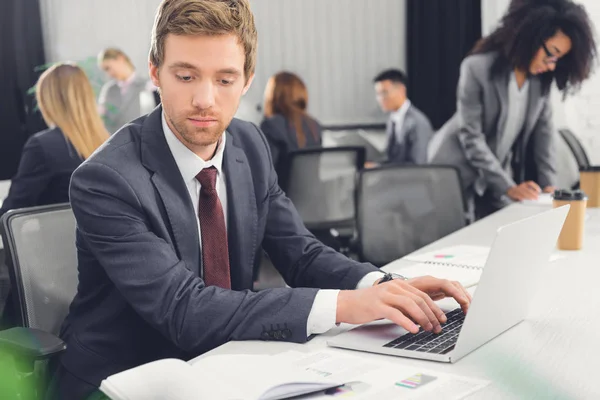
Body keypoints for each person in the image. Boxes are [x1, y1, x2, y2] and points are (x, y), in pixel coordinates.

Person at [46, 1, 471, 398]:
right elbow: (185, 310)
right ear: (155, 73)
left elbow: (300, 254)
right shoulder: (106, 179)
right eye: (186, 75)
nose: (204, 100)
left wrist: (381, 286)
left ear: (248, 79)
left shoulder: (248, 143)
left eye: (225, 79)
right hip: (128, 381)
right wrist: (345, 305)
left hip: (228, 363)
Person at [428, 0, 596, 219]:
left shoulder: (539, 83)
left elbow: (544, 138)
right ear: (532, 37)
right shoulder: (477, 68)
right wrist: (508, 186)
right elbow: (471, 137)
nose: (552, 65)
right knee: (461, 242)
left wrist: (550, 188)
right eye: (551, 54)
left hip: (493, 174)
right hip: (454, 169)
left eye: (559, 59)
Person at [0, 63, 109, 217]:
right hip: (106, 239)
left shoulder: (42, 146)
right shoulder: (110, 143)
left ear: (47, 101)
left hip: (55, 240)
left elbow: (11, 212)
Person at [260, 71, 322, 186]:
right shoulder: (315, 126)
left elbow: (264, 176)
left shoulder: (271, 125)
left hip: (281, 201)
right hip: (314, 201)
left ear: (273, 97)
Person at [374, 69, 434, 165]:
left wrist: (379, 168)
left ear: (401, 90)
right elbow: (392, 158)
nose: (380, 99)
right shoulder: (392, 120)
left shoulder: (417, 122)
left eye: (384, 93)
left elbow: (418, 165)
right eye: (378, 94)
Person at [97, 48, 157, 134]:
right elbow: (102, 119)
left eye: (108, 68)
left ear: (120, 58)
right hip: (115, 142)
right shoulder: (108, 90)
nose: (108, 74)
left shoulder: (149, 85)